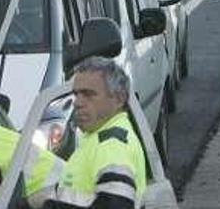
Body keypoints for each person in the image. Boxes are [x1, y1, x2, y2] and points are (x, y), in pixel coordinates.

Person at [45, 57, 146, 209]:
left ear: (119, 99)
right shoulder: (96, 138)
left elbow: (116, 206)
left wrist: (50, 206)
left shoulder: (112, 145)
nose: (77, 102)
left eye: (88, 94)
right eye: (77, 94)